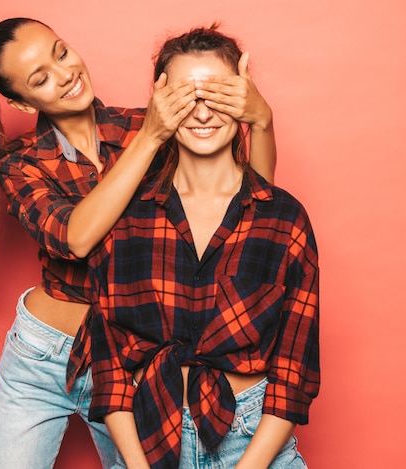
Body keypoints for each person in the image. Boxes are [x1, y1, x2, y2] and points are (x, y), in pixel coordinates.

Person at [0, 18, 277, 469]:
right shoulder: (20, 165)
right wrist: (153, 136)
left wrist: (261, 120)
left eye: (61, 52)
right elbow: (75, 239)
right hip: (41, 358)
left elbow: (250, 207)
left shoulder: (145, 126)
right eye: (40, 78)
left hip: (129, 358)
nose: (64, 74)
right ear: (20, 101)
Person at [83, 25, 319, 469]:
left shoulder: (283, 218)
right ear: (160, 105)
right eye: (186, 98)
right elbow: (108, 360)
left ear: (243, 97)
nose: (203, 113)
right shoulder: (125, 215)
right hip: (147, 439)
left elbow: (294, 373)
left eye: (218, 95)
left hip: (251, 443)